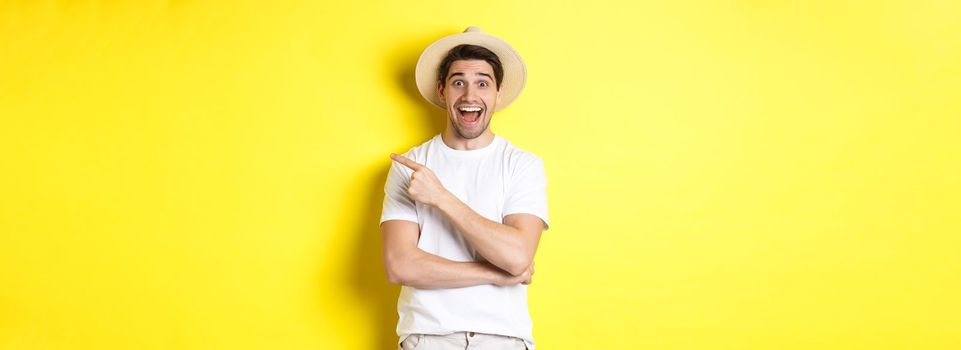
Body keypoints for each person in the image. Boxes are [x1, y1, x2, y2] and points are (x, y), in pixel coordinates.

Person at [380, 27, 549, 350]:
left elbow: (516, 257)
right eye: (459, 82)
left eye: (482, 83)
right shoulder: (411, 165)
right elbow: (399, 264)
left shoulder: (522, 165)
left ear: (498, 93)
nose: (470, 95)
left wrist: (441, 197)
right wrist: (496, 275)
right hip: (429, 338)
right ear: (443, 91)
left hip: (504, 340)